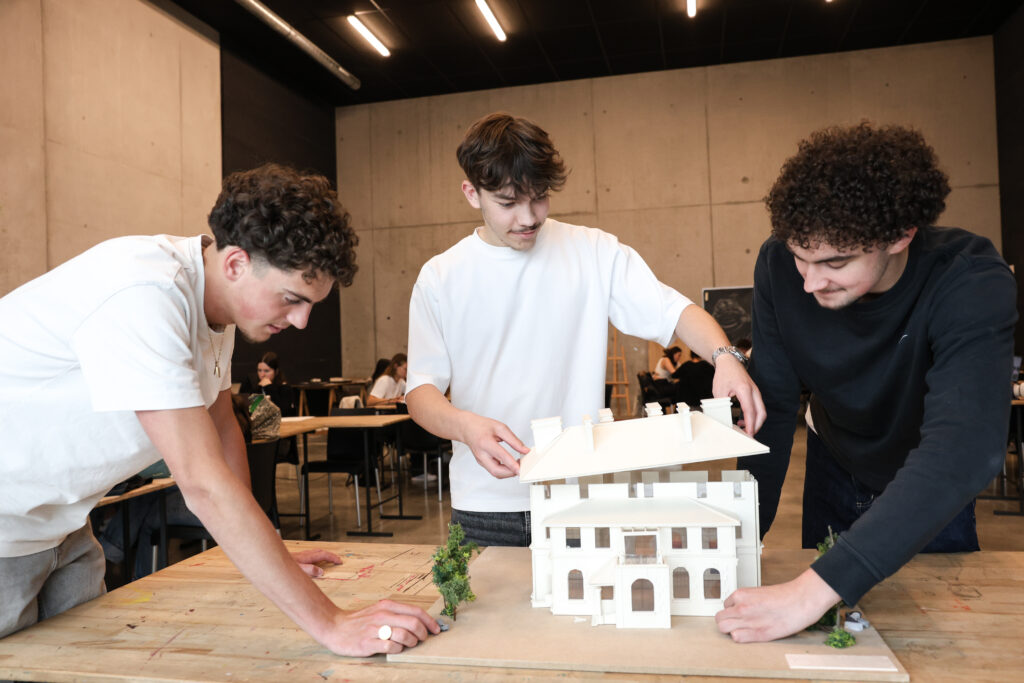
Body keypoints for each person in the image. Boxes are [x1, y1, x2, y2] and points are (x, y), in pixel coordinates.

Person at [0, 163, 438, 653]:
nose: (300, 321)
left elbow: (221, 421)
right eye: (292, 299)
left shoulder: (212, 305)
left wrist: (261, 548)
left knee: (86, 662)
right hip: (6, 524)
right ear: (236, 264)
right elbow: (202, 481)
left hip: (62, 522)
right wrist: (332, 624)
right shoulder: (146, 293)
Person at [405, 111, 765, 547]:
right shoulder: (441, 276)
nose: (528, 217)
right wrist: (465, 427)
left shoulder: (592, 251)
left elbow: (674, 311)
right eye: (507, 202)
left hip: (580, 497)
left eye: (539, 197)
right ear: (471, 193)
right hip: (485, 505)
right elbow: (420, 393)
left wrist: (726, 358)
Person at [715, 122, 1017, 643]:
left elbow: (964, 451)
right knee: (834, 642)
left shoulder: (968, 279)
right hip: (835, 465)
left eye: (835, 262)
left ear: (900, 235)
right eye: (800, 258)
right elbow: (775, 410)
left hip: (927, 486)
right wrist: (743, 544)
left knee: (924, 637)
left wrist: (811, 591)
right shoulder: (778, 267)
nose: (810, 283)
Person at [240, 351, 297, 417]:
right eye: (259, 370)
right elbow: (251, 410)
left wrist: (270, 387)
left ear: (276, 371)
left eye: (266, 371)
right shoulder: (253, 385)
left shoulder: (284, 387)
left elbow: (284, 412)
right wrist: (258, 389)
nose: (262, 374)